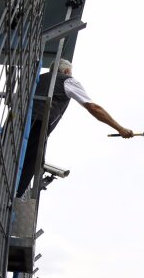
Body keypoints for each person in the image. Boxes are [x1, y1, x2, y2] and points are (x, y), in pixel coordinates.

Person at [16, 59, 134, 197]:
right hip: (38, 122)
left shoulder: (37, 79)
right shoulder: (68, 81)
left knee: (15, 156)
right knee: (32, 160)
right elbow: (93, 108)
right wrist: (119, 128)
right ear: (66, 71)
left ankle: (8, 191)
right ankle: (14, 196)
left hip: (18, 120)